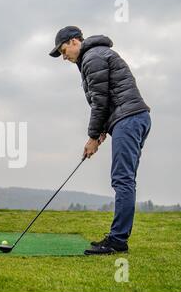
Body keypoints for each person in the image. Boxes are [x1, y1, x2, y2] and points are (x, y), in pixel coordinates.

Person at [49, 26, 151, 255]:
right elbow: (109, 97)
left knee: (122, 180)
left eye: (64, 51)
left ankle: (117, 241)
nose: (64, 57)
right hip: (132, 118)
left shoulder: (92, 57)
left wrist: (93, 137)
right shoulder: (95, 55)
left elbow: (100, 102)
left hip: (129, 119)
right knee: (125, 180)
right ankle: (118, 238)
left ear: (75, 41)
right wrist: (104, 130)